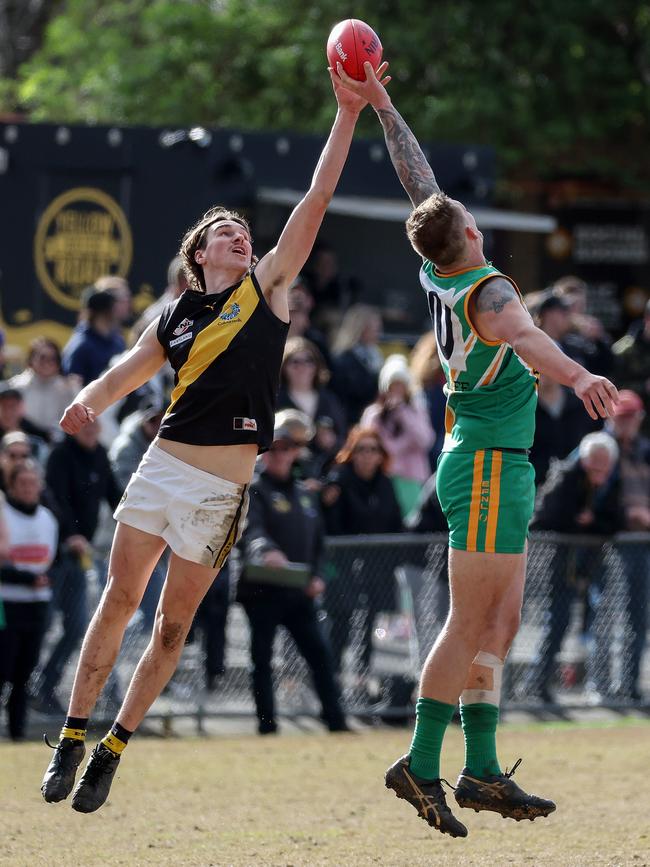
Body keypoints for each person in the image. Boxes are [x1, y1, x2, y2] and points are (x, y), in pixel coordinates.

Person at [40, 66, 380, 813]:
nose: (241, 233)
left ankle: (113, 748)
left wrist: (348, 111)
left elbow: (316, 197)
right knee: (118, 599)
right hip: (162, 467)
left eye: (243, 229)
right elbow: (127, 372)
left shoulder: (267, 289)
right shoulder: (175, 316)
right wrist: (86, 402)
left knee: (172, 626)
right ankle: (71, 734)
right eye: (226, 231)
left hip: (222, 490)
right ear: (201, 253)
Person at [336, 60, 618, 837]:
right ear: (468, 231)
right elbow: (532, 342)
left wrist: (384, 103)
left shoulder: (439, 262)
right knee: (468, 622)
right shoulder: (489, 292)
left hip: (498, 458)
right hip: (488, 461)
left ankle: (482, 766)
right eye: (463, 212)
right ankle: (421, 763)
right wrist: (582, 371)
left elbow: (415, 176)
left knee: (501, 621)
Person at [236, 417, 348, 734]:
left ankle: (336, 721)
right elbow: (251, 530)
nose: (281, 455)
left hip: (299, 591)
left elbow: (319, 545)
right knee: (262, 658)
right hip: (262, 590)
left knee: (320, 655)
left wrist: (317, 577)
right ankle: (267, 725)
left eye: (288, 449)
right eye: (275, 449)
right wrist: (266, 550)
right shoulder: (254, 491)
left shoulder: (304, 494)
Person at [524, 432, 622, 703]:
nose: (598, 474)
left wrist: (591, 521)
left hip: (590, 563)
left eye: (604, 468)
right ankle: (535, 684)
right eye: (594, 467)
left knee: (596, 620)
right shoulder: (566, 475)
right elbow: (548, 516)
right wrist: (582, 521)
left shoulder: (612, 481)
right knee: (556, 621)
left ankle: (598, 685)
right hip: (556, 563)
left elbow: (614, 522)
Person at [34, 419, 123, 714]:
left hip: (78, 555)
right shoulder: (60, 455)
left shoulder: (100, 454)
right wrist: (69, 533)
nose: (91, 428)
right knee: (42, 626)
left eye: (95, 423)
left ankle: (46, 687)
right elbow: (54, 498)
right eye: (85, 423)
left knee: (75, 628)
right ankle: (22, 687)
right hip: (55, 554)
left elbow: (115, 496)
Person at [321, 426, 403, 678]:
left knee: (374, 623)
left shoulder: (386, 484)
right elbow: (331, 523)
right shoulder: (338, 481)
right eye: (361, 449)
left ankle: (365, 678)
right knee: (341, 620)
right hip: (343, 565)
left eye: (373, 449)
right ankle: (333, 678)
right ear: (352, 453)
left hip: (377, 569)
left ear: (381, 455)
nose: (367, 455)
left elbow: (395, 524)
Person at [0, 461, 58, 740]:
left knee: (24, 674)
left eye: (32, 483)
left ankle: (17, 733)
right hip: (7, 603)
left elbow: (52, 560)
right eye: (21, 484)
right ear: (11, 486)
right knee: (3, 670)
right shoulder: (4, 516)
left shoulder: (47, 518)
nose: (27, 489)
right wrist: (25, 579)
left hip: (36, 604)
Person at [360, 353, 435, 516]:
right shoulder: (374, 414)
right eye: (393, 386)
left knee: (412, 521)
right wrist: (403, 445)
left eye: (401, 385)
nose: (397, 391)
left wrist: (403, 414)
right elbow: (371, 443)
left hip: (412, 479)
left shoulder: (416, 411)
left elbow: (425, 440)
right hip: (383, 478)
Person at [277, 336, 347, 450]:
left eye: (308, 361)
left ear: (317, 366)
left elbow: (342, 436)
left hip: (323, 465)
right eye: (295, 362)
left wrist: (331, 441)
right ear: (284, 367)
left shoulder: (329, 400)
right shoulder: (275, 400)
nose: (302, 367)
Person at [8, 338, 80, 444]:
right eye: (42, 357)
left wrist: (75, 389)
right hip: (22, 442)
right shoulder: (17, 386)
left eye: (53, 358)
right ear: (31, 359)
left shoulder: (67, 388)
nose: (47, 362)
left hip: (56, 443)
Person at [61, 286, 126, 386]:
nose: (115, 313)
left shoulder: (117, 341)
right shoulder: (80, 345)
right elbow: (72, 388)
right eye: (111, 309)